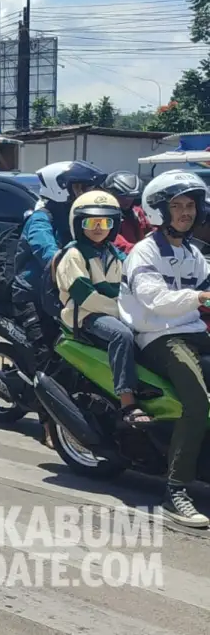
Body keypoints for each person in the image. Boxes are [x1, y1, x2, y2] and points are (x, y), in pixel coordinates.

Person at [118, 170, 210, 528]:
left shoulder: (192, 252)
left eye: (191, 205)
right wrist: (200, 297)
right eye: (178, 206)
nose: (186, 212)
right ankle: (176, 490)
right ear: (159, 211)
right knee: (197, 402)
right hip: (158, 336)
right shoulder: (145, 252)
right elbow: (156, 302)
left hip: (192, 330)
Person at [53, 190, 144, 425]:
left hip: (111, 311)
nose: (98, 227)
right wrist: (123, 313)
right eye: (91, 222)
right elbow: (87, 298)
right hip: (85, 315)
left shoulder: (113, 253)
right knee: (121, 334)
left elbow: (130, 285)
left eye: (104, 222)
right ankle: (127, 400)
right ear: (78, 224)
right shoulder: (73, 254)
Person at [13, 160, 108, 362]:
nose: (85, 193)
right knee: (46, 352)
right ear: (60, 188)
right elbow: (47, 251)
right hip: (34, 295)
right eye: (80, 187)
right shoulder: (40, 219)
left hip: (69, 293)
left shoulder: (77, 219)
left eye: (88, 188)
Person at [104, 171, 151, 253]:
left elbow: (151, 231)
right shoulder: (105, 215)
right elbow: (113, 238)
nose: (128, 200)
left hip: (141, 258)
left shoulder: (137, 212)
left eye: (131, 197)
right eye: (123, 196)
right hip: (118, 259)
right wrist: (138, 251)